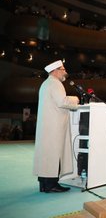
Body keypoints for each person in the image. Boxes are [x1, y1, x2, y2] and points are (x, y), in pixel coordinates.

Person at [33, 60, 79, 193]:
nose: (65, 72)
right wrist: (75, 99)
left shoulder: (46, 83)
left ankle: (44, 185)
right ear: (55, 70)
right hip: (54, 128)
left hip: (47, 127)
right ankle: (52, 185)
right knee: (53, 155)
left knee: (46, 156)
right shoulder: (55, 83)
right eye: (63, 69)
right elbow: (62, 101)